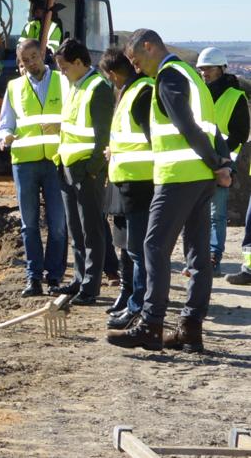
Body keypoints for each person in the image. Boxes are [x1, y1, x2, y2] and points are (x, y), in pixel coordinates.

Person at [107, 29, 233, 353]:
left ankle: (151, 324)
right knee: (197, 253)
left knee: (154, 247)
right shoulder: (191, 74)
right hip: (200, 178)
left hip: (180, 177)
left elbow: (187, 126)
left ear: (149, 47)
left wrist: (217, 163)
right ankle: (190, 328)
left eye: (136, 61)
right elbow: (213, 127)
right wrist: (222, 163)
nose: (135, 69)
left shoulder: (167, 78)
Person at [0, 38, 69, 298]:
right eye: (24, 60)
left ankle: (55, 277)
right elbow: (5, 124)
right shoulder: (14, 87)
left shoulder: (63, 82)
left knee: (58, 224)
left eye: (34, 57)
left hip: (55, 162)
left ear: (44, 55)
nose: (29, 64)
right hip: (24, 163)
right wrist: (4, 137)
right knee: (29, 225)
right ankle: (33, 277)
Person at [52, 39, 113, 305]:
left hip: (86, 170)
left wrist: (92, 169)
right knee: (76, 229)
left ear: (79, 62)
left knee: (91, 230)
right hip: (68, 167)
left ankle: (90, 286)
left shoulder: (98, 87)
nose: (62, 72)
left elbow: (102, 136)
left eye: (65, 67)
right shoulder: (76, 86)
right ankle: (79, 278)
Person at [99, 48, 154, 331]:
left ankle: (139, 306)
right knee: (126, 245)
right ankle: (131, 298)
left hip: (139, 182)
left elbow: (153, 139)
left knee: (138, 249)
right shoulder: (128, 91)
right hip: (123, 180)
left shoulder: (143, 92)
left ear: (113, 73)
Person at [196, 47, 248, 270]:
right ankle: (198, 254)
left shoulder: (235, 96)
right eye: (202, 69)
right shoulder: (198, 93)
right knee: (197, 212)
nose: (204, 73)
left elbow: (240, 133)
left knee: (217, 212)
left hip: (222, 163)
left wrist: (220, 157)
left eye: (208, 69)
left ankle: (214, 256)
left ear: (221, 69)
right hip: (197, 160)